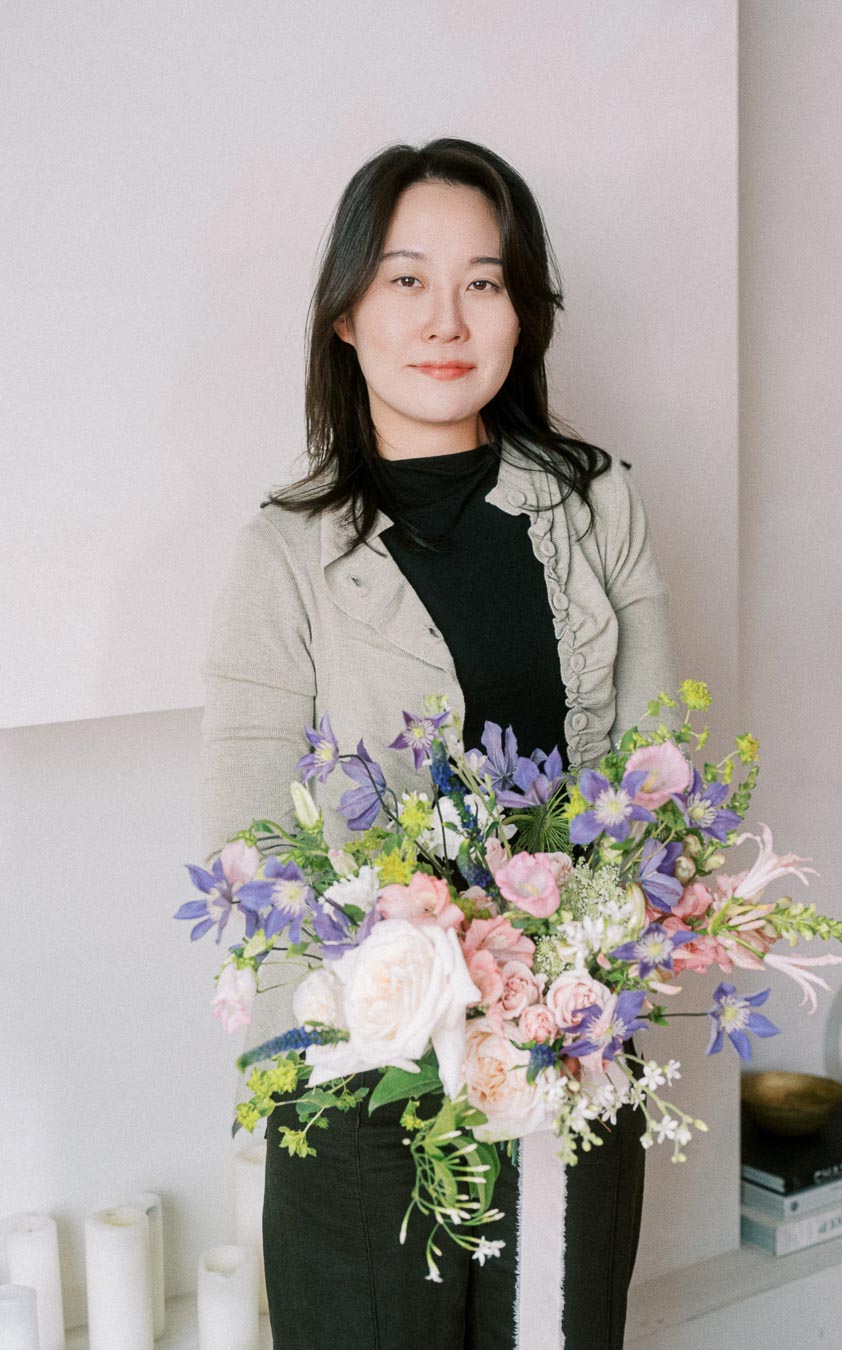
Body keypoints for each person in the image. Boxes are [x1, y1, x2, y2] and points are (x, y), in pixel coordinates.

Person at [200, 137, 677, 1350]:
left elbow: (655, 774)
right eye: (408, 278)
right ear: (348, 314)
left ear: (522, 313)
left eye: (485, 280)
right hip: (364, 1081)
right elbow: (251, 853)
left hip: (568, 1045)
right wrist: (379, 1011)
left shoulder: (596, 502)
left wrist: (572, 975)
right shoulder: (284, 554)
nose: (447, 317)